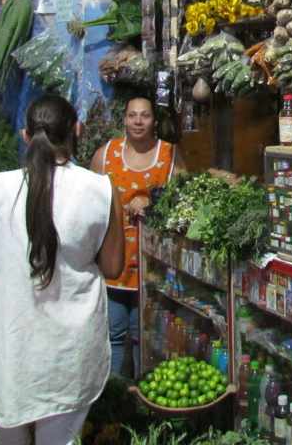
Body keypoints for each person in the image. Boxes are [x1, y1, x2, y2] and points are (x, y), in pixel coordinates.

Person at [0, 94, 124, 445]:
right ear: (77, 130)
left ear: (25, 135)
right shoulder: (101, 190)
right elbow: (113, 266)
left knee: (5, 434)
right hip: (68, 348)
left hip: (12, 340)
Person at [91, 94, 184, 378]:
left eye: (145, 115)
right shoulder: (106, 154)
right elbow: (89, 200)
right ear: (125, 120)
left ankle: (143, 394)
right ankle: (117, 393)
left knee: (145, 334)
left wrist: (153, 203)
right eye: (132, 115)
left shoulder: (169, 154)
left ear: (154, 121)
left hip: (154, 262)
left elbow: (183, 200)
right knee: (114, 332)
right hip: (114, 260)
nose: (138, 121)